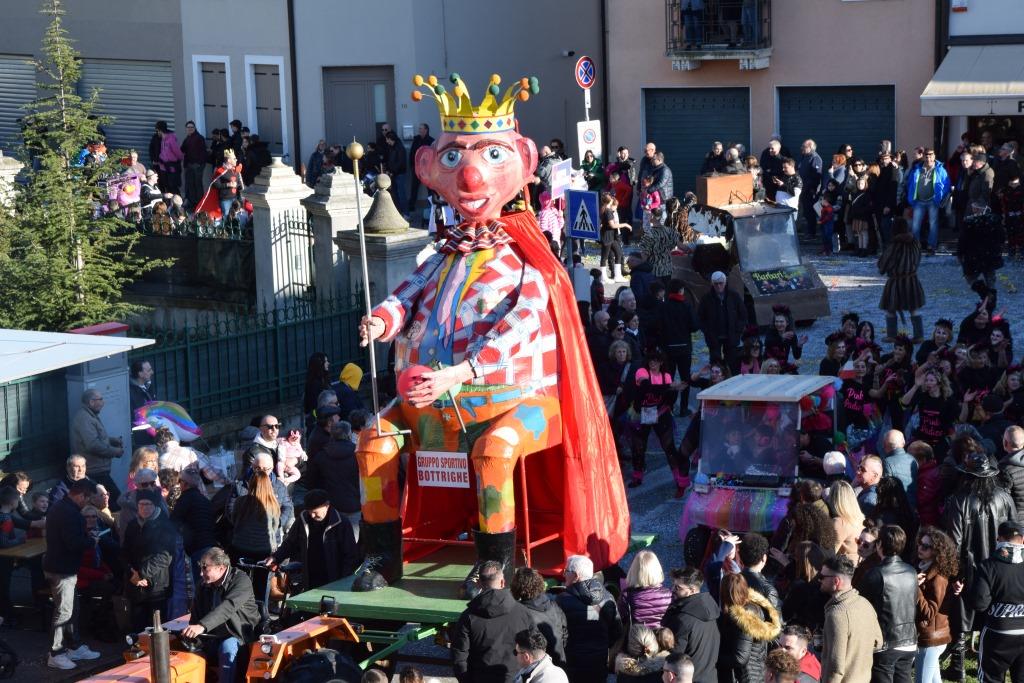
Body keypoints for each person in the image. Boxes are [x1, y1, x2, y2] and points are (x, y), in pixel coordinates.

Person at [43, 477, 102, 670]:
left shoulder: (62, 508)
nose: (88, 503)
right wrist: (90, 541)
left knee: (71, 609)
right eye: (88, 498)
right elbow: (72, 543)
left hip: (64, 568)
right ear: (81, 495)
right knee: (64, 612)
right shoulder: (68, 513)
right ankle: (56, 652)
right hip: (62, 570)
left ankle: (73, 646)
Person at [184, 546, 261, 682]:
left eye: (205, 568)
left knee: (227, 649)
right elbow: (196, 615)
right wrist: (190, 635)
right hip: (210, 635)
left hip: (236, 634)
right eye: (200, 567)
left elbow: (228, 607)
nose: (201, 573)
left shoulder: (241, 581)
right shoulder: (202, 586)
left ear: (220, 567)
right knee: (184, 650)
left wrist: (202, 626)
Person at [452, 560, 534, 683]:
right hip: (515, 678)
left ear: (479, 583)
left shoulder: (468, 617)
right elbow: (536, 647)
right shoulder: (523, 612)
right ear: (503, 582)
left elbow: (459, 656)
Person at [267, 488, 358, 593]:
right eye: (309, 512)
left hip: (333, 580)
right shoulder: (303, 519)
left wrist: (343, 581)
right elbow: (290, 543)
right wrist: (276, 557)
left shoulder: (342, 523)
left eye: (315, 512)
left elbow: (350, 556)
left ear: (326, 506)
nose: (312, 515)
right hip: (310, 578)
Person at [859, 525, 918, 683]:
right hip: (909, 640)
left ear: (879, 545)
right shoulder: (911, 571)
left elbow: (861, 606)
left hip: (886, 642)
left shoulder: (875, 573)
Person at [967, 520, 1024, 683]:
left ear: (998, 539)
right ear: (1023, 539)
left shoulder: (988, 566)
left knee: (990, 679)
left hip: (998, 633)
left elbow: (979, 604)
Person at [557, 555, 622, 683]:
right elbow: (617, 630)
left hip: (573, 663)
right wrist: (602, 645)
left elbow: (558, 633)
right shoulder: (607, 597)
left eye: (566, 571)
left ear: (576, 575)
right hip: (599, 661)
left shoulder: (562, 600)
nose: (564, 575)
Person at [819, 555, 883, 683]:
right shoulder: (865, 603)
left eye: (822, 577)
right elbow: (878, 642)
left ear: (836, 581)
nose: (819, 580)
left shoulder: (837, 615)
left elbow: (835, 667)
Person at [122, 487, 177, 630]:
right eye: (141, 504)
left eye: (148, 504)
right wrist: (132, 573)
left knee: (156, 627)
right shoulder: (132, 525)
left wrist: (142, 574)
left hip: (156, 585)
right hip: (135, 584)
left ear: (155, 505)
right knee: (137, 625)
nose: (144, 508)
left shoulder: (165, 526)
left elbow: (165, 556)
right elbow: (125, 552)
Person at [716, 572, 782, 683]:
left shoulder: (743, 618)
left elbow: (740, 658)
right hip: (758, 670)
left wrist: (715, 659)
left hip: (746, 676)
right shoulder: (757, 607)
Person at [661, 567, 719, 683]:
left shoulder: (682, 619)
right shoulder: (711, 609)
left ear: (692, 590)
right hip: (711, 678)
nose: (673, 589)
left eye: (678, 588)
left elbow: (674, 658)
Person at [914, 527, 957, 683]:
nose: (920, 548)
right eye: (920, 543)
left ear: (937, 551)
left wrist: (915, 588)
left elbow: (930, 612)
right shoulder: (923, 569)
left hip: (931, 639)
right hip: (931, 636)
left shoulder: (938, 578)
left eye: (926, 546)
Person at [876, 218, 925, 343]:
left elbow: (885, 262)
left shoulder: (895, 245)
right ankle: (918, 336)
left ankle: (892, 335)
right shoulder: (915, 242)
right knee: (913, 308)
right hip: (912, 279)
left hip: (896, 281)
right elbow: (918, 259)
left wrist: (882, 266)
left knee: (890, 308)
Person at [511, 567, 568, 668]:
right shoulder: (553, 605)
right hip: (559, 663)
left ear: (517, 587)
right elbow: (564, 632)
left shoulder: (521, 612)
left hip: (539, 666)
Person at [70, 389, 124, 494]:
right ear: (91, 402)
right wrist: (115, 451)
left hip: (98, 468)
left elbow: (96, 438)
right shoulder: (85, 419)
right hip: (95, 470)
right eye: (101, 399)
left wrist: (111, 440)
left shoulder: (89, 416)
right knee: (116, 501)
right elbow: (93, 445)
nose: (103, 403)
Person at [170, 466, 215, 588]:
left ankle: (201, 607)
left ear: (185, 484)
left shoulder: (185, 499)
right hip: (210, 545)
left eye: (180, 481)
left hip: (197, 547)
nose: (179, 484)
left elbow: (172, 523)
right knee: (209, 584)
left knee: (200, 585)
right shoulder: (204, 500)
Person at [698, 271, 747, 375]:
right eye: (716, 283)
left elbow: (743, 315)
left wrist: (738, 330)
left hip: (731, 335)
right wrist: (707, 331)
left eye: (721, 283)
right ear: (712, 284)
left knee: (732, 363)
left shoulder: (734, 296)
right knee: (715, 364)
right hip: (713, 336)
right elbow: (700, 317)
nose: (718, 286)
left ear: (725, 282)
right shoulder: (706, 298)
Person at [905, 149, 950, 254]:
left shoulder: (940, 169)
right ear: (923, 157)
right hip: (919, 201)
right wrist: (911, 197)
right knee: (915, 225)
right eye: (926, 156)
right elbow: (910, 183)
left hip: (933, 201)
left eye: (931, 156)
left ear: (934, 156)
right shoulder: (917, 168)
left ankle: (931, 245)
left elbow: (946, 184)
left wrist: (940, 197)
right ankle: (915, 246)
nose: (928, 158)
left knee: (933, 224)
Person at [620, 550, 672, 628]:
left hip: (637, 637)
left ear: (634, 571)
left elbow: (621, 619)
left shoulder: (627, 595)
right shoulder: (669, 595)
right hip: (662, 637)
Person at [879, 430, 918, 507]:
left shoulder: (887, 462)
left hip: (898, 509)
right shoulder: (913, 459)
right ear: (903, 443)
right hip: (914, 506)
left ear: (884, 446)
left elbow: (886, 489)